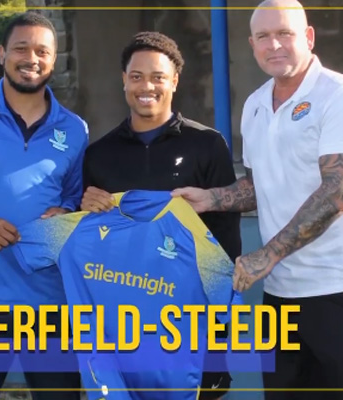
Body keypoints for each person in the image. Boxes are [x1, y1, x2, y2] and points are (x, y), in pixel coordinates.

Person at [173, 0, 343, 398]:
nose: (274, 45)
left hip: (334, 288)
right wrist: (211, 198)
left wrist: (268, 254)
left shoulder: (335, 95)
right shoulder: (254, 104)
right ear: (252, 45)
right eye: (263, 36)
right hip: (279, 295)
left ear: (308, 37)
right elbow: (258, 184)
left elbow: (336, 189)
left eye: (284, 33)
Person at [81, 31, 241, 400]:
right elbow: (89, 242)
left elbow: (226, 238)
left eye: (158, 77)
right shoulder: (99, 154)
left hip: (190, 320)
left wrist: (218, 318)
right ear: (124, 80)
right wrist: (84, 209)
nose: (146, 87)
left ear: (174, 81)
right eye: (137, 76)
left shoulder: (208, 144)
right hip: (123, 322)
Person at [0, 12, 88, 400]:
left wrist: (66, 214)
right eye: (21, 48)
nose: (32, 59)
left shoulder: (74, 129)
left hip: (50, 300)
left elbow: (73, 199)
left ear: (53, 59)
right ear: (2, 53)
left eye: (42, 51)